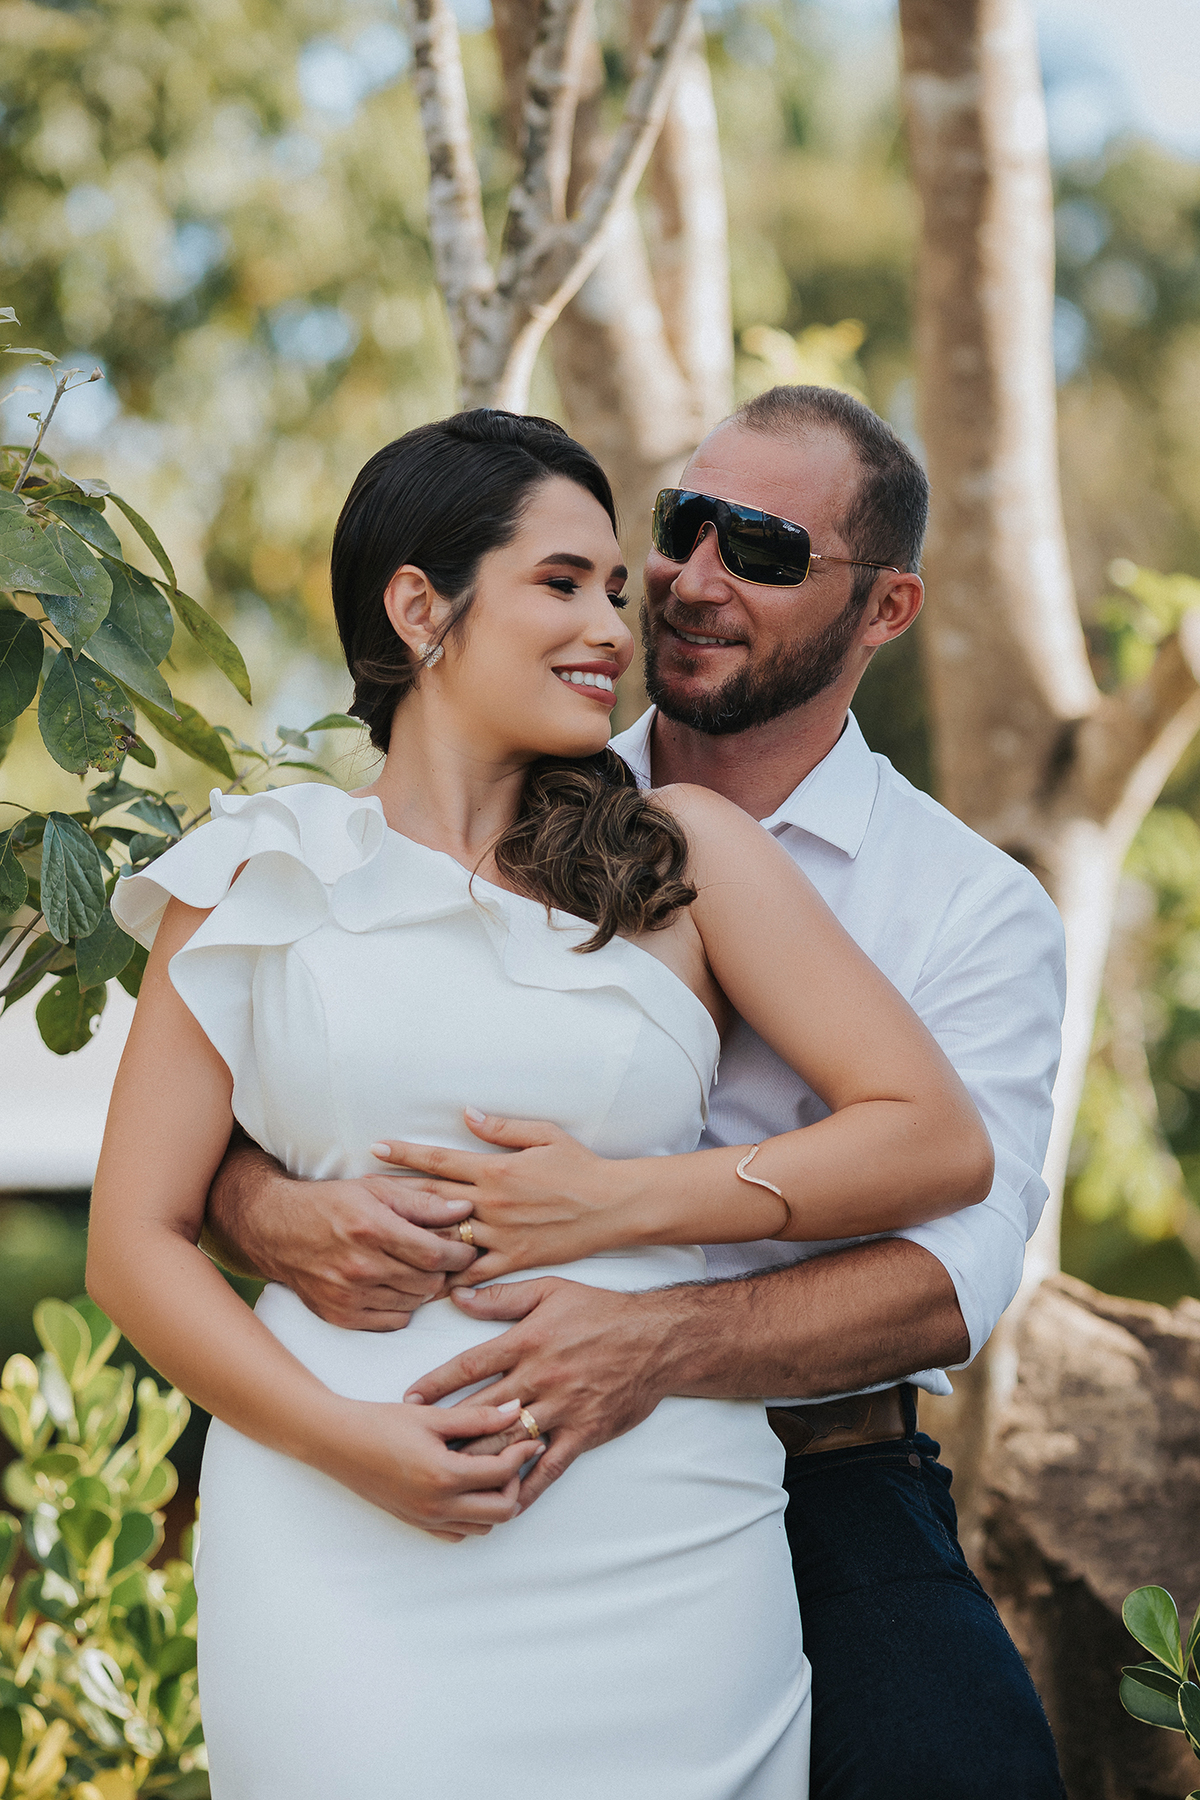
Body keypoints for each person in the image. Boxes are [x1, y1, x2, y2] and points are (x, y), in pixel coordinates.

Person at [89, 408, 994, 1800]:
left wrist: (616, 1202)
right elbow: (132, 1242)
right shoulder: (252, 872)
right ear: (420, 609)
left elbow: (934, 1139)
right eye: (563, 583)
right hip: (334, 1535)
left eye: (614, 591)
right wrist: (354, 1445)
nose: (613, 628)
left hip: (663, 1546)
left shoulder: (686, 857)